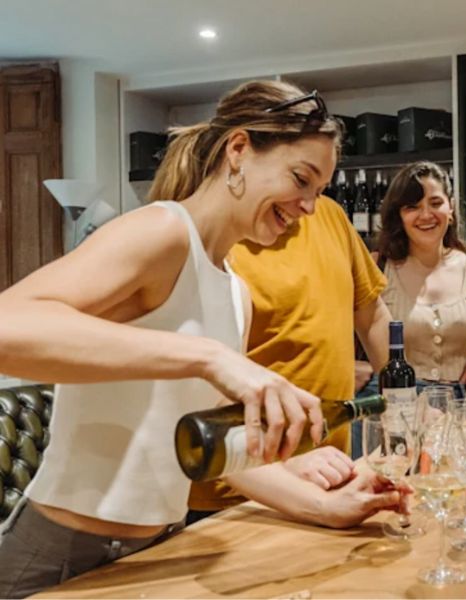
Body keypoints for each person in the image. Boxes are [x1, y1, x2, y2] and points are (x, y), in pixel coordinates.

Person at [0, 80, 403, 598]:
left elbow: (212, 454)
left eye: (318, 193)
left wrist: (326, 506)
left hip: (160, 548)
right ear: (239, 150)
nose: (308, 207)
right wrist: (207, 357)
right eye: (300, 180)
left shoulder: (237, 289)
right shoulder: (161, 231)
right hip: (61, 552)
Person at [186, 185, 395, 520]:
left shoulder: (330, 216)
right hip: (239, 494)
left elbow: (373, 317)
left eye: (320, 185)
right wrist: (285, 460)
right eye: (301, 177)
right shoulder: (206, 237)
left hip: (328, 473)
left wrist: (404, 401)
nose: (311, 205)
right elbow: (199, 397)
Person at [371, 161, 466, 398]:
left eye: (435, 203)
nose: (426, 215)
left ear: (451, 208)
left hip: (465, 405)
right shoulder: (377, 268)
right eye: (412, 207)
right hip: (398, 401)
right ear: (399, 215)